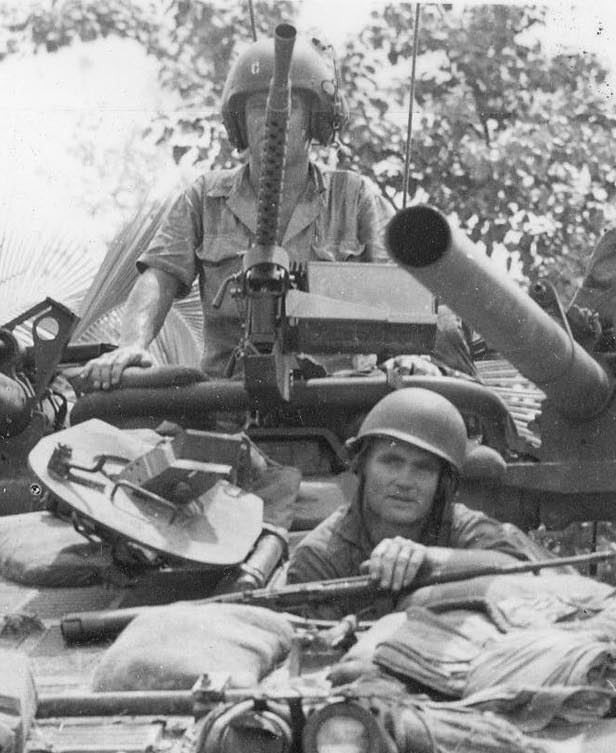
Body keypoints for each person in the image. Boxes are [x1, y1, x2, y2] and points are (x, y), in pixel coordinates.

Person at [79, 35, 392, 389]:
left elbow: (396, 292)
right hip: (224, 404)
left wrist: (403, 358)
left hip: (334, 400)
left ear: (315, 120)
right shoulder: (206, 197)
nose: (274, 120)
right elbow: (158, 278)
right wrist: (132, 344)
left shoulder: (353, 198)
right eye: (258, 108)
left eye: (293, 107)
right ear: (239, 121)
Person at [285, 388, 545, 611]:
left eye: (423, 468)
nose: (405, 481)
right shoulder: (320, 558)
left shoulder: (460, 525)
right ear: (362, 466)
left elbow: (519, 567)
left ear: (442, 483)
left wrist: (430, 560)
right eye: (391, 461)